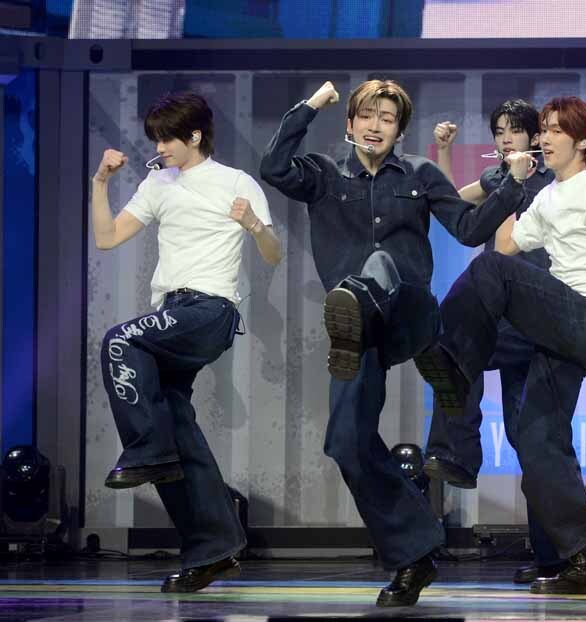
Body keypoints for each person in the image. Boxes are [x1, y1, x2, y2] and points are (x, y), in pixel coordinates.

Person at [259, 79, 520, 607]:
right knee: (346, 443)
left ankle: (431, 348)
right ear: (350, 124)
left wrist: (512, 187)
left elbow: (469, 229)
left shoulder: (421, 175)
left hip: (409, 311)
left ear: (399, 131)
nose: (375, 126)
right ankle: (413, 552)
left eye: (387, 118)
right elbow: (274, 168)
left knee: (379, 264)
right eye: (367, 116)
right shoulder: (323, 174)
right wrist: (311, 105)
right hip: (357, 332)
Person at [416, 96, 586, 595]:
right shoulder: (547, 196)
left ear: (582, 140)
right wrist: (510, 187)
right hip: (556, 332)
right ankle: (585, 564)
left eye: (555, 130)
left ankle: (454, 397)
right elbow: (508, 244)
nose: (545, 138)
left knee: (486, 278)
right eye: (545, 130)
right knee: (539, 444)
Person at [94, 91, 281, 592]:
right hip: (171, 314)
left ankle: (144, 449)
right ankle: (213, 549)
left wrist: (253, 224)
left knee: (119, 341)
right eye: (156, 139)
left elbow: (272, 253)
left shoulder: (236, 182)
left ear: (194, 135)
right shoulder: (159, 183)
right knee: (176, 430)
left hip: (210, 310)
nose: (159, 148)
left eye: (166, 139)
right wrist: (100, 182)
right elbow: (107, 238)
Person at [425, 100, 565, 585]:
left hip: (537, 312)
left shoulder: (553, 182)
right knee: (531, 439)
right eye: (499, 131)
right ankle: (554, 557)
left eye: (515, 130)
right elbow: (450, 204)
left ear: (535, 137)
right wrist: (444, 151)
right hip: (502, 313)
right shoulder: (498, 180)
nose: (506, 138)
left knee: (463, 346)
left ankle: (457, 453)